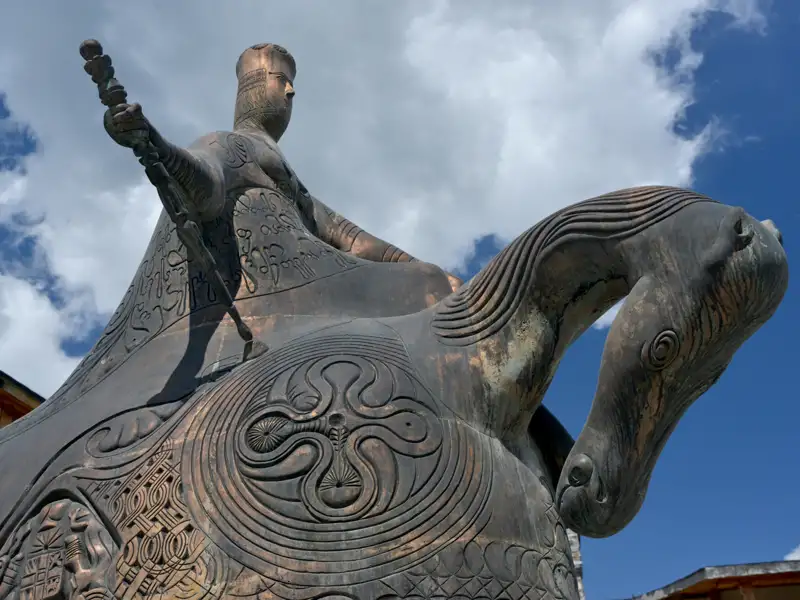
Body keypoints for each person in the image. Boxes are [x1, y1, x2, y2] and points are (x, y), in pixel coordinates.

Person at [103, 42, 462, 292]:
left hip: (316, 279)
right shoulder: (230, 143)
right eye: (280, 81)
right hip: (272, 295)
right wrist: (152, 142)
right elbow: (205, 185)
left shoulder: (294, 185)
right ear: (254, 88)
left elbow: (350, 238)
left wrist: (415, 265)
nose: (290, 92)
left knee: (427, 280)